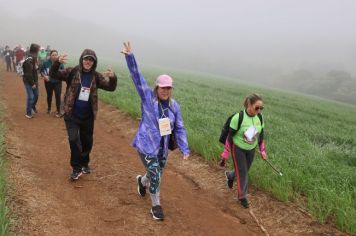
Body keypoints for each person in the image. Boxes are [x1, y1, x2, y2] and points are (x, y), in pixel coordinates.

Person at [121, 42, 190, 221]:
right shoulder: (148, 99)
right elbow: (137, 77)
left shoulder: (174, 106)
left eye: (168, 88)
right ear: (157, 88)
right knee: (156, 176)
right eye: (163, 87)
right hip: (146, 146)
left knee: (154, 174)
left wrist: (185, 148)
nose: (166, 90)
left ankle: (141, 182)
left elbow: (180, 127)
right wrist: (130, 57)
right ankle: (156, 206)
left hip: (163, 149)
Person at [49, 49, 117, 180]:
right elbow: (54, 74)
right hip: (71, 114)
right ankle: (76, 168)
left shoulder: (96, 77)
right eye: (86, 59)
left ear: (94, 62)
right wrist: (57, 62)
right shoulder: (72, 71)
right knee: (73, 139)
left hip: (88, 116)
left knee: (87, 142)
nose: (88, 61)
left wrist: (113, 77)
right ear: (82, 59)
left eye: (91, 60)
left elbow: (110, 87)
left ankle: (84, 163)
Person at [223, 94, 267, 208]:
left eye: (261, 108)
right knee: (243, 173)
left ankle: (230, 175)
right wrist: (225, 153)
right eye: (257, 107)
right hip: (238, 148)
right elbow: (229, 136)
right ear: (249, 104)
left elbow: (261, 135)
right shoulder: (238, 118)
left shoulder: (260, 118)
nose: (259, 110)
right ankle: (242, 197)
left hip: (251, 149)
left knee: (244, 170)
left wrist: (263, 150)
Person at [40, 50, 64, 117]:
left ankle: (58, 110)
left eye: (56, 55)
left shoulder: (60, 63)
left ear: (57, 56)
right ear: (50, 56)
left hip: (57, 82)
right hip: (48, 82)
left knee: (58, 96)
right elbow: (41, 71)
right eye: (53, 55)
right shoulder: (45, 63)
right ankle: (49, 108)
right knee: (49, 95)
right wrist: (45, 76)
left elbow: (63, 72)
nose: (54, 56)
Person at [22, 43, 41, 118]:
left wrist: (38, 67)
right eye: (38, 49)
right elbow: (28, 74)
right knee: (31, 97)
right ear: (35, 50)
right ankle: (28, 113)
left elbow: (35, 69)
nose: (39, 50)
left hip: (34, 80)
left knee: (36, 95)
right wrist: (32, 83)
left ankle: (32, 106)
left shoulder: (35, 57)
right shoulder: (29, 60)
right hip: (28, 81)